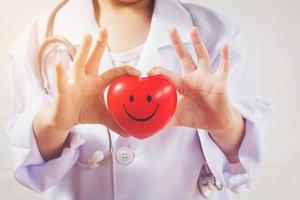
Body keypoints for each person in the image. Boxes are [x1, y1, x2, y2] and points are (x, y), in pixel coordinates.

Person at [6, 0, 270, 199]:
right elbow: (31, 165)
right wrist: (55, 122)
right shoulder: (39, 37)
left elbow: (242, 169)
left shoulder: (215, 36)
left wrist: (225, 126)